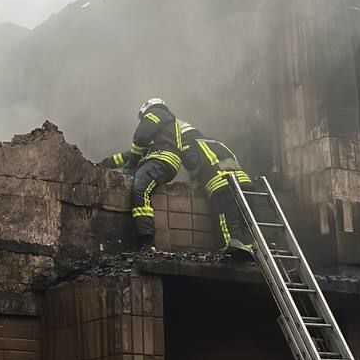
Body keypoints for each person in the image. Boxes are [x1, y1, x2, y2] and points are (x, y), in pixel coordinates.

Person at [100, 98, 253, 256]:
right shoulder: (216, 143)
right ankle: (253, 253)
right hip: (245, 184)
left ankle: (233, 254)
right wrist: (107, 162)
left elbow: (191, 162)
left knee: (227, 221)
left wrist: (195, 179)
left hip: (220, 185)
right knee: (246, 222)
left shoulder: (160, 118)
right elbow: (133, 153)